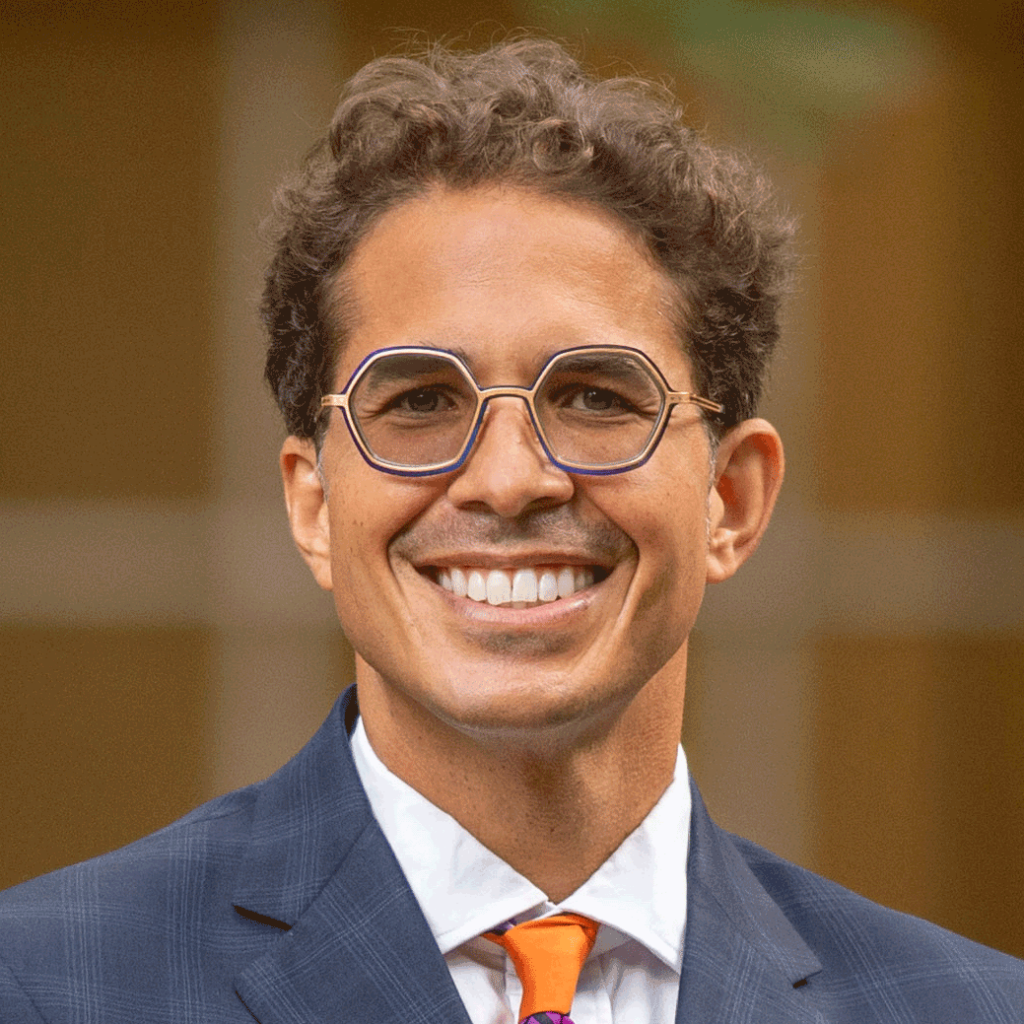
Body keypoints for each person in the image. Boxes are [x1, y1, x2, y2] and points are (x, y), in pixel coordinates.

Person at [1, 36, 1022, 1024]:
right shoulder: (44, 987)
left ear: (732, 497)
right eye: (416, 402)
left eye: (591, 395)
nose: (507, 479)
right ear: (313, 505)